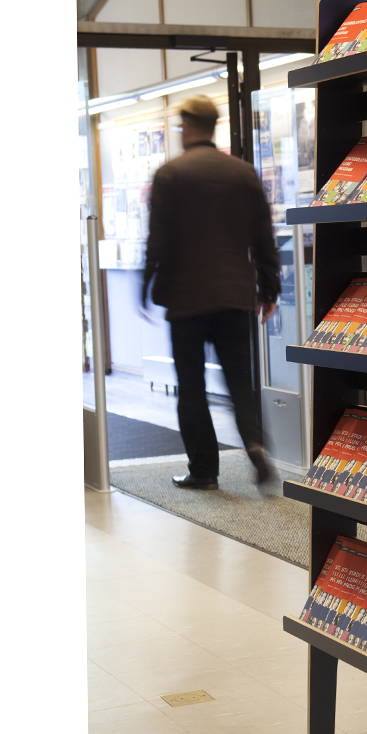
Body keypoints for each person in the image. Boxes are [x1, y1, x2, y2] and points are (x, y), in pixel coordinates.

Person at [142, 95, 280, 491]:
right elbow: (264, 238)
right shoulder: (244, 173)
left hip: (187, 300)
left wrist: (145, 284)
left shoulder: (169, 174)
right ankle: (255, 445)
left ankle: (203, 471)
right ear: (214, 126)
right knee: (240, 381)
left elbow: (158, 241)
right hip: (236, 296)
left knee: (191, 386)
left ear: (186, 127)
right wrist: (268, 289)